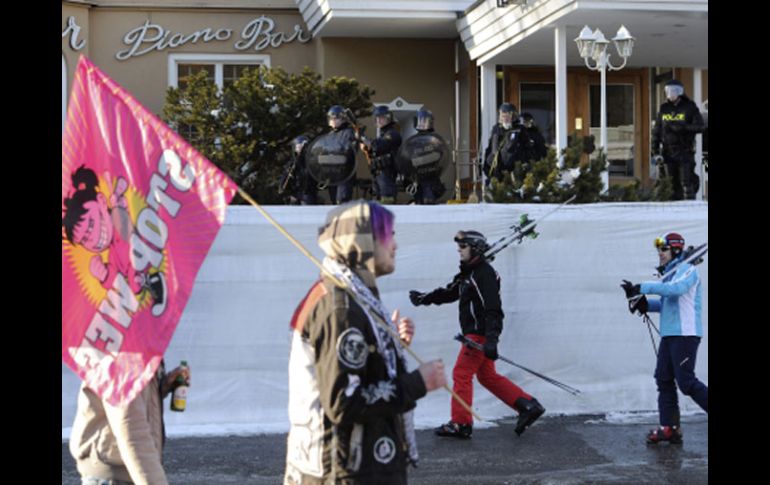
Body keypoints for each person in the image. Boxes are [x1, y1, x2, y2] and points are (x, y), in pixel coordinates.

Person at [284, 200, 447, 484]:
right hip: (345, 472)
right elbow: (343, 402)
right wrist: (418, 382)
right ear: (363, 241)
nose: (395, 245)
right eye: (389, 235)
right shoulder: (341, 308)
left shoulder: (351, 298)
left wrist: (384, 343)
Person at [409, 230, 545, 439]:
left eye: (463, 247)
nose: (459, 250)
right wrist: (424, 298)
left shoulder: (484, 274)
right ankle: (527, 405)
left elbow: (493, 308)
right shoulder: (468, 274)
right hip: (476, 335)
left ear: (475, 248)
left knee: (461, 374)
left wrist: (492, 339)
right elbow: (450, 292)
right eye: (459, 247)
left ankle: (461, 423)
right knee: (487, 376)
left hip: (478, 336)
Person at [621, 232, 708, 445]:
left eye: (664, 249)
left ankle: (671, 427)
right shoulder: (670, 274)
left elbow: (675, 291)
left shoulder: (687, 271)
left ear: (676, 250)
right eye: (659, 249)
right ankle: (670, 428)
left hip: (685, 334)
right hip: (670, 335)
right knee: (663, 379)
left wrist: (642, 287)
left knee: (686, 383)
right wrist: (645, 305)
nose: (659, 253)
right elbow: (668, 304)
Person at [69, 360, 191, 485]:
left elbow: (132, 405)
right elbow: (132, 431)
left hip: (116, 470)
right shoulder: (125, 361)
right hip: (115, 475)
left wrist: (161, 386)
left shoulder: (132, 355)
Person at [651, 79, 705, 200]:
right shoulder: (664, 108)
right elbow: (657, 131)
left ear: (680, 92)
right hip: (668, 152)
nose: (671, 93)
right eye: (668, 91)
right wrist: (655, 150)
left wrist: (683, 128)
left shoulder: (689, 107)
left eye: (674, 90)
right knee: (669, 184)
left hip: (684, 151)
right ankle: (672, 212)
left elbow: (701, 126)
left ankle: (689, 209)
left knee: (686, 182)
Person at [363, 105, 402, 204]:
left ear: (388, 118)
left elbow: (380, 145)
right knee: (378, 201)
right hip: (378, 173)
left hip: (387, 174)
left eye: (381, 118)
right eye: (377, 118)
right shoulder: (382, 135)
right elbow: (375, 151)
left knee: (387, 201)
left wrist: (365, 141)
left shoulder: (393, 133)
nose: (378, 121)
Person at [482, 103, 530, 184]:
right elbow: (491, 148)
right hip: (497, 172)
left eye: (507, 116)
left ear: (513, 116)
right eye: (503, 116)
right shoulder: (496, 129)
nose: (505, 118)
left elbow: (527, 149)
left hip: (514, 173)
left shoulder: (520, 130)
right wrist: (487, 167)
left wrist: (523, 166)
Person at [409, 108, 445, 204]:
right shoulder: (414, 140)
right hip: (417, 179)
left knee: (428, 204)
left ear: (430, 122)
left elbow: (437, 155)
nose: (422, 123)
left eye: (425, 121)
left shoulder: (434, 138)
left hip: (430, 178)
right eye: (420, 120)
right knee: (418, 203)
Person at [325, 105, 358, 204]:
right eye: (330, 118)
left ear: (342, 119)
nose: (332, 121)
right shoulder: (330, 135)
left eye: (334, 118)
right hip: (332, 173)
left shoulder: (349, 132)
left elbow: (350, 151)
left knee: (342, 200)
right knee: (334, 200)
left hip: (344, 173)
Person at [279, 135, 318, 205]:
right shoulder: (292, 163)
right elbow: (285, 176)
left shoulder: (310, 163)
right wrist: (282, 188)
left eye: (300, 146)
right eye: (297, 146)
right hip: (294, 193)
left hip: (307, 193)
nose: (299, 149)